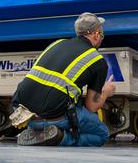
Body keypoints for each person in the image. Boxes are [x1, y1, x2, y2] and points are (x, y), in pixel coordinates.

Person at [11, 12, 116, 147]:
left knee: (67, 103)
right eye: (101, 34)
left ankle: (39, 131)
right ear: (96, 35)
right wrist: (106, 91)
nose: (101, 38)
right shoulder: (97, 60)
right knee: (101, 134)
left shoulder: (56, 44)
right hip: (54, 117)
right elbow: (92, 106)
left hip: (23, 115)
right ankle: (60, 136)